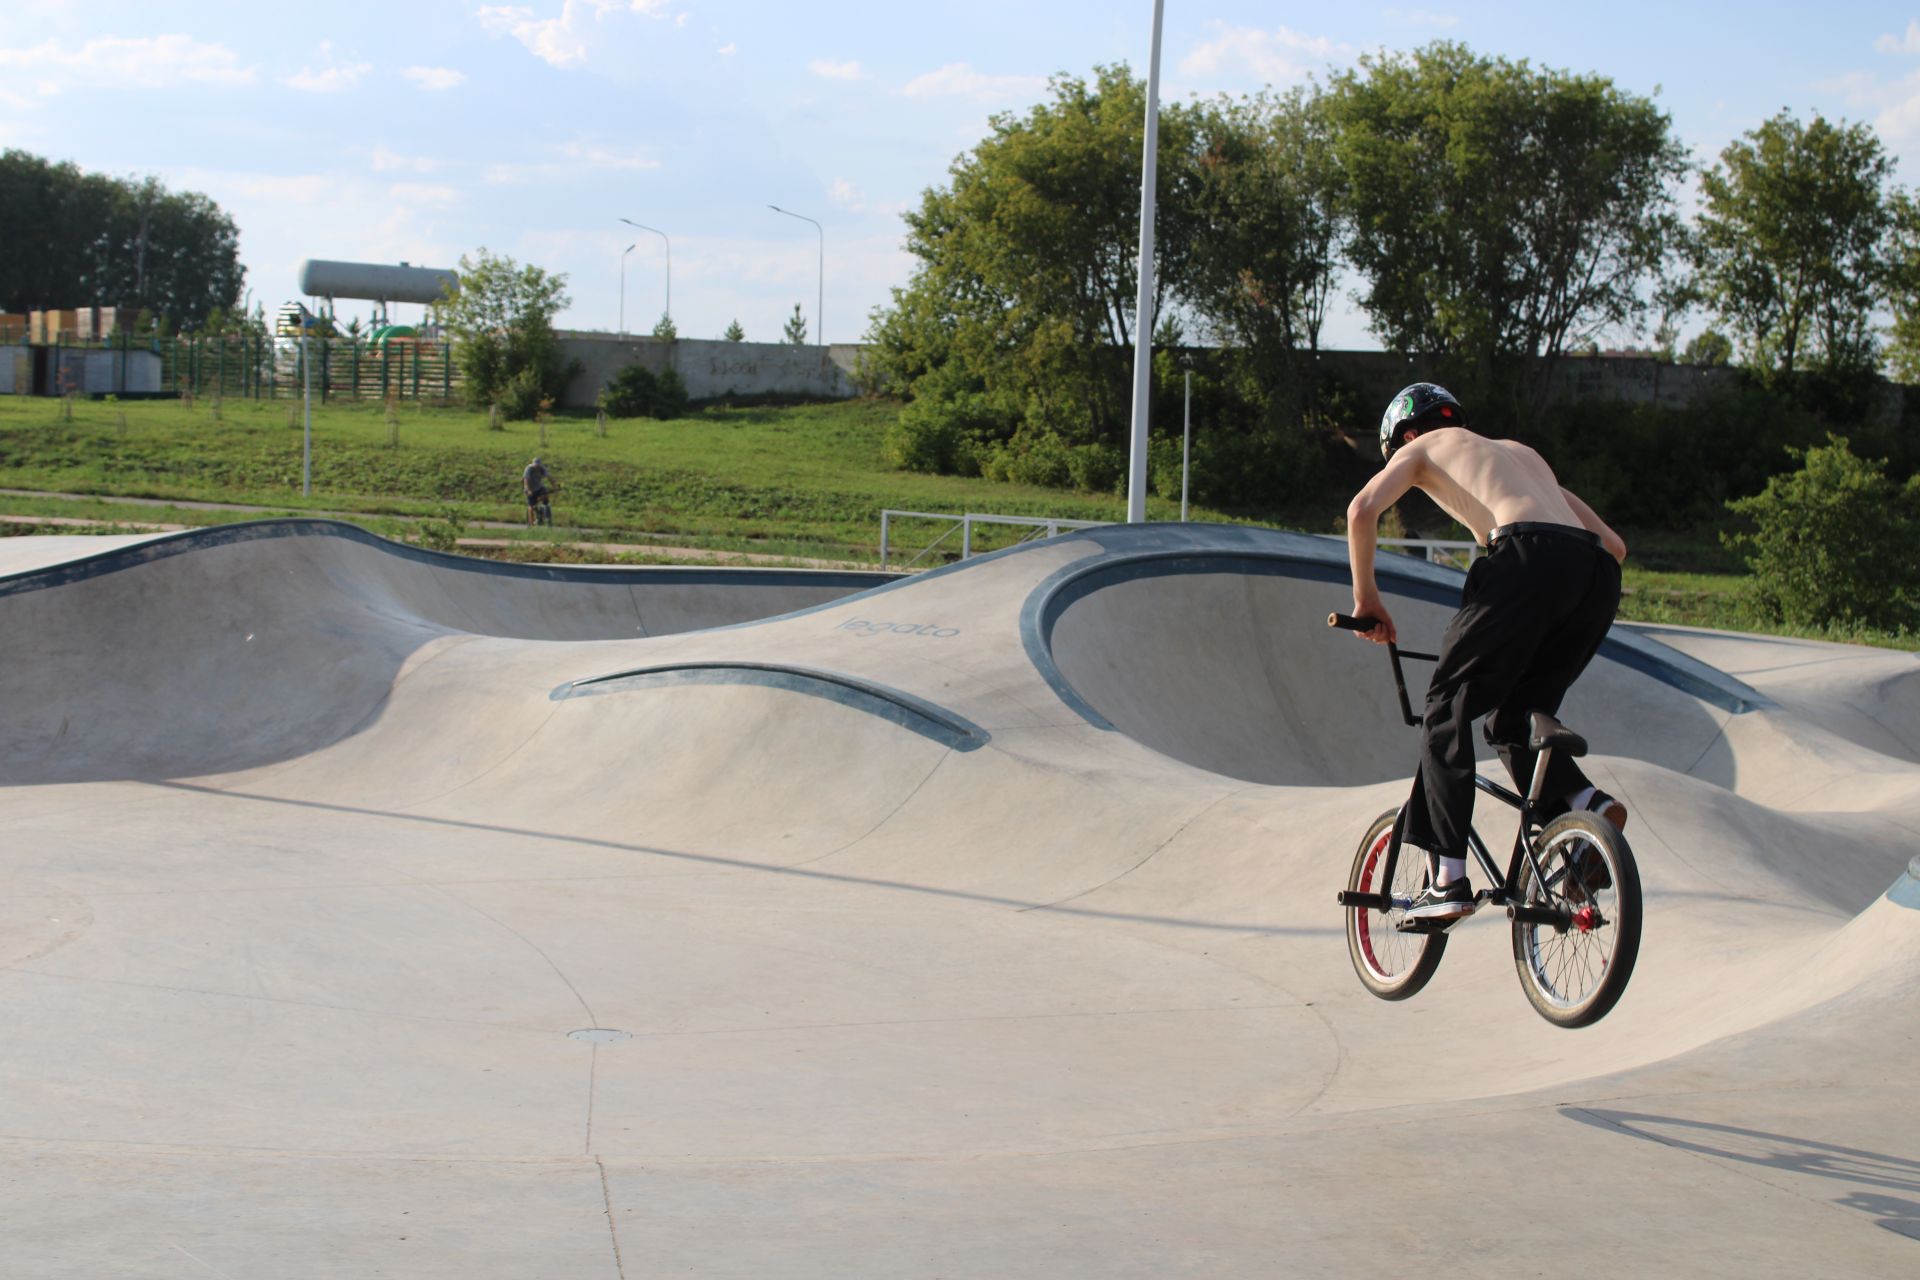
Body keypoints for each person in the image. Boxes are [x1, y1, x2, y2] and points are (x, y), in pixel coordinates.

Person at [1345, 383, 1629, 922]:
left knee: (1446, 706)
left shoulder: (1420, 448)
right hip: (1594, 578)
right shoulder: (1520, 454)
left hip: (1525, 556)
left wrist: (1368, 600)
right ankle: (1585, 805)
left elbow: (1362, 510)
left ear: (1407, 433)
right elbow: (1615, 548)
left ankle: (1448, 879)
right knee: (1514, 718)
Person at [523, 456, 552, 525]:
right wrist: (528, 489)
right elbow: (526, 480)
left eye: (538, 466)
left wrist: (555, 486)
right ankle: (531, 523)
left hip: (539, 487)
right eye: (535, 466)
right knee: (531, 506)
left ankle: (543, 512)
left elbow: (549, 477)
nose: (537, 467)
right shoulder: (529, 469)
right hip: (530, 488)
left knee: (545, 495)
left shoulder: (542, 469)